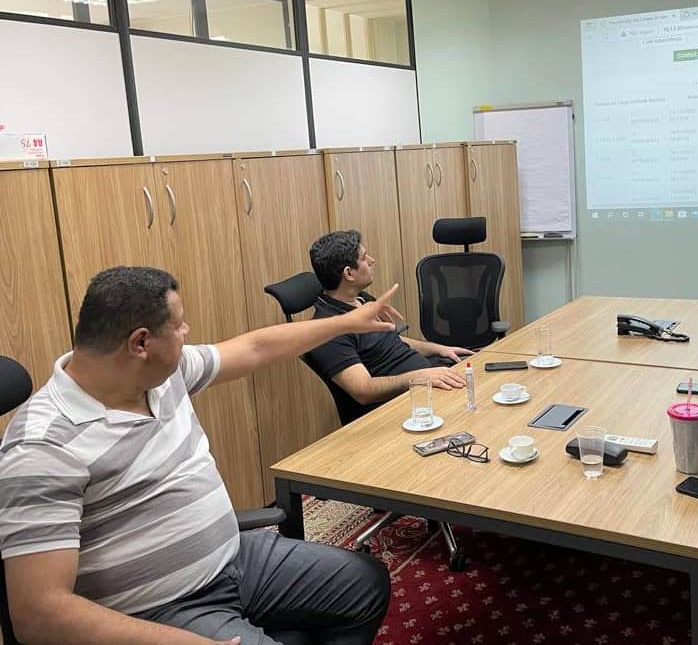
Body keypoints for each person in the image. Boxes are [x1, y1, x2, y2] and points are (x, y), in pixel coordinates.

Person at [0, 266, 399, 645]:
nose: (187, 332)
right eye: (179, 325)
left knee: (364, 584)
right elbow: (38, 613)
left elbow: (255, 347)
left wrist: (348, 322)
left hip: (234, 560)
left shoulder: (162, 374)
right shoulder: (43, 447)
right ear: (141, 343)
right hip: (159, 610)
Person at [308, 230, 474, 423]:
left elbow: (389, 340)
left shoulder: (361, 300)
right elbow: (363, 389)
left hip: (426, 383)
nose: (372, 261)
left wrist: (439, 349)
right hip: (402, 409)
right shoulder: (328, 331)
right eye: (364, 258)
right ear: (349, 273)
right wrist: (420, 377)